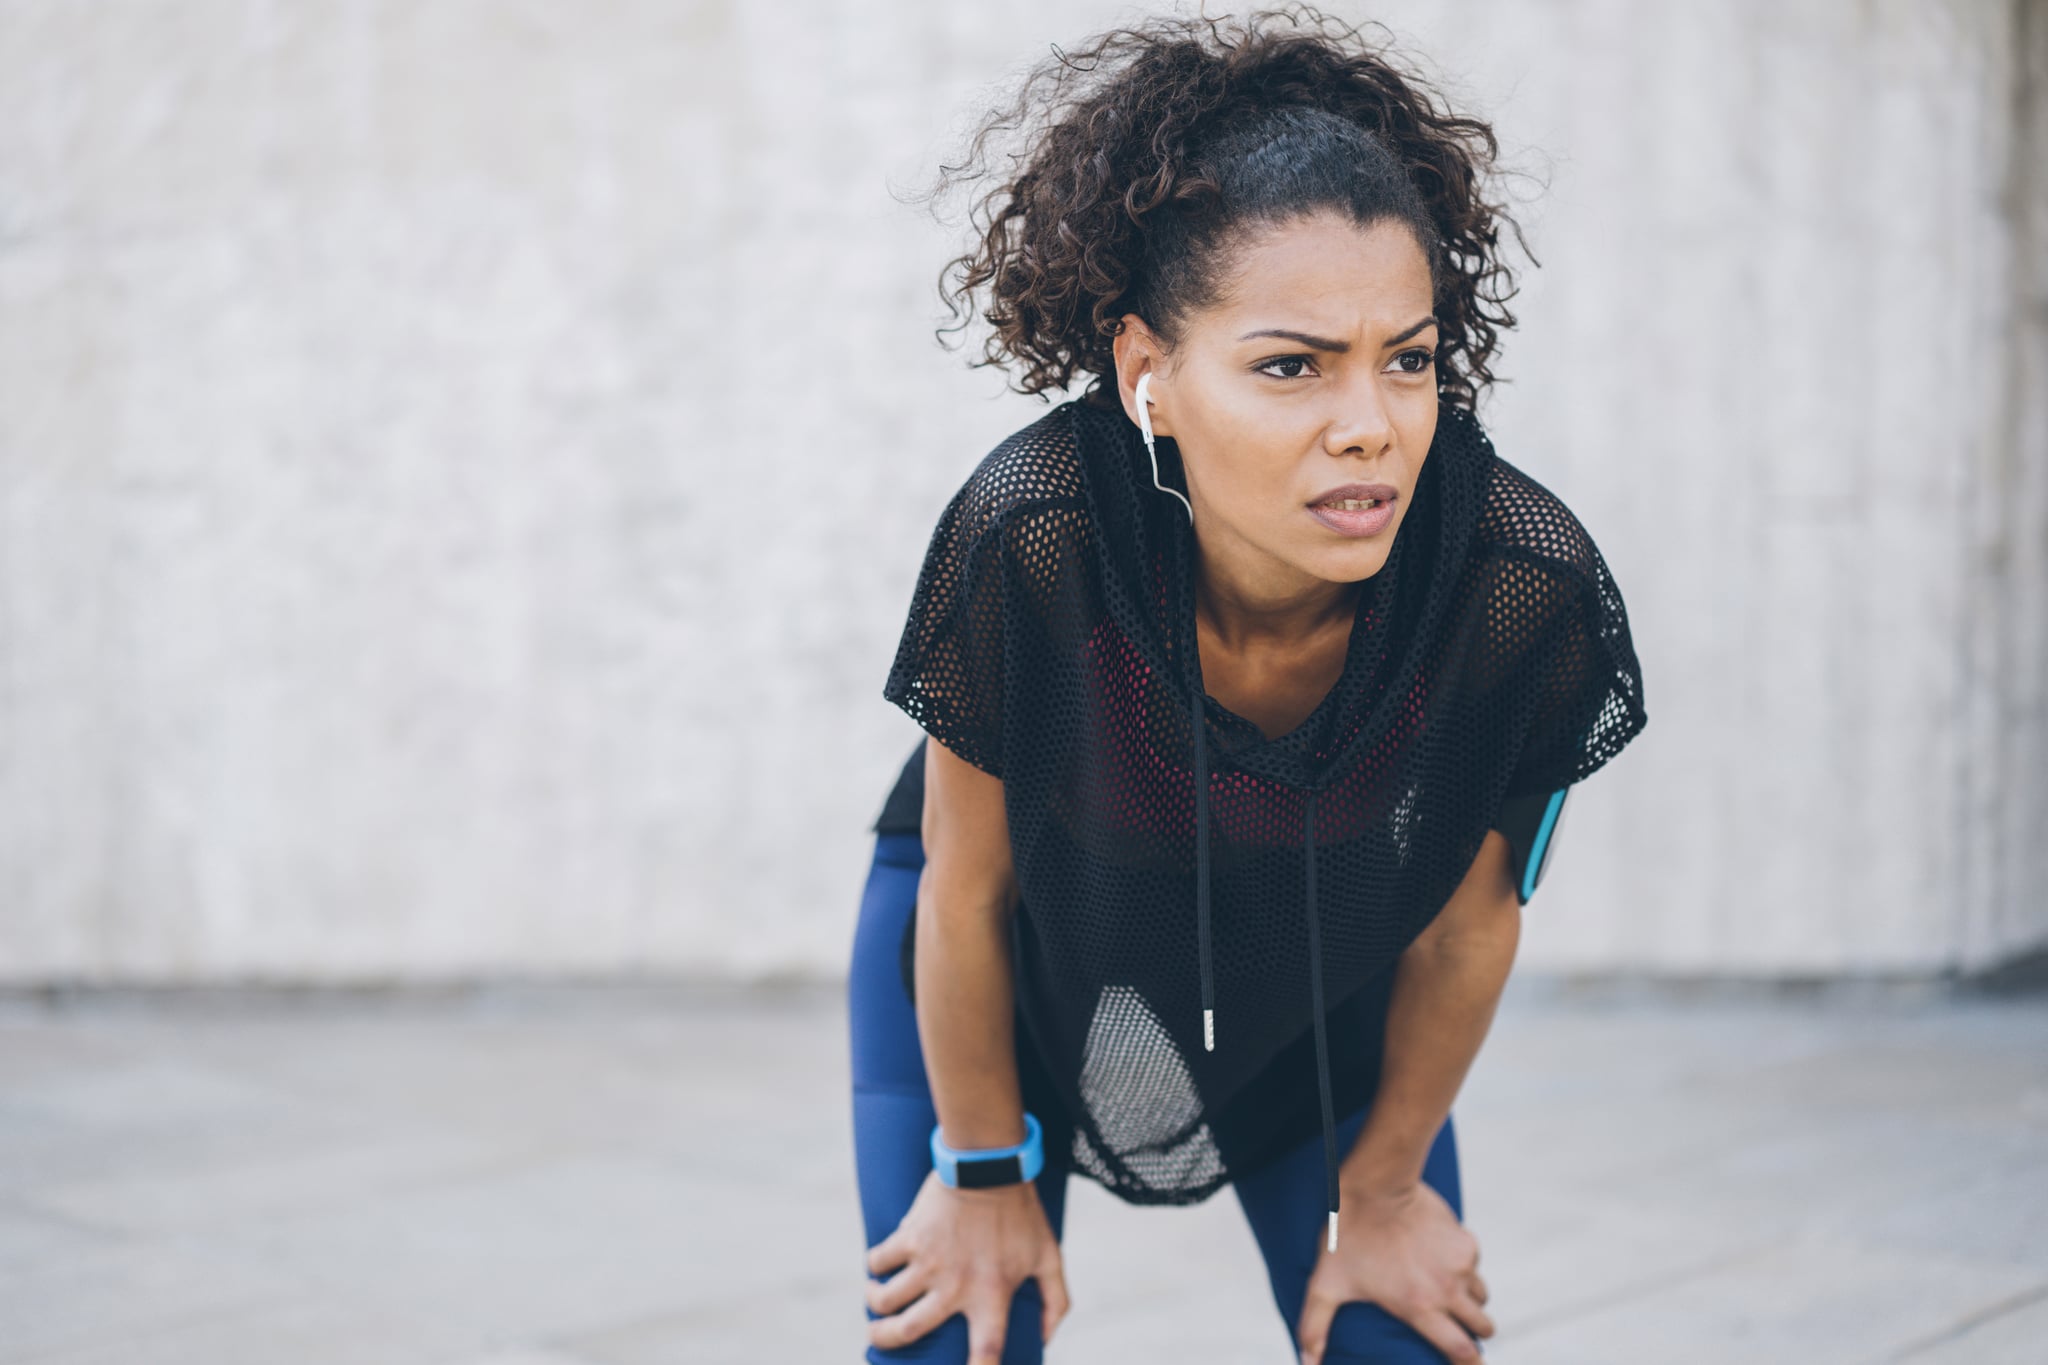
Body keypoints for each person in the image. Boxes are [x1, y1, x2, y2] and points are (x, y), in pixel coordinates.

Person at [846, 9, 1648, 1363]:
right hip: (1012, 975)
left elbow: (1464, 933)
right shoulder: (1034, 539)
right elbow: (964, 891)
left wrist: (1386, 1189)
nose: (1370, 423)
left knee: (1401, 1340)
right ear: (1149, 374)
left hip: (1320, 998)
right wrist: (981, 1171)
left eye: (1408, 356)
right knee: (950, 1344)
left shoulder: (1520, 591)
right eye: (1291, 365)